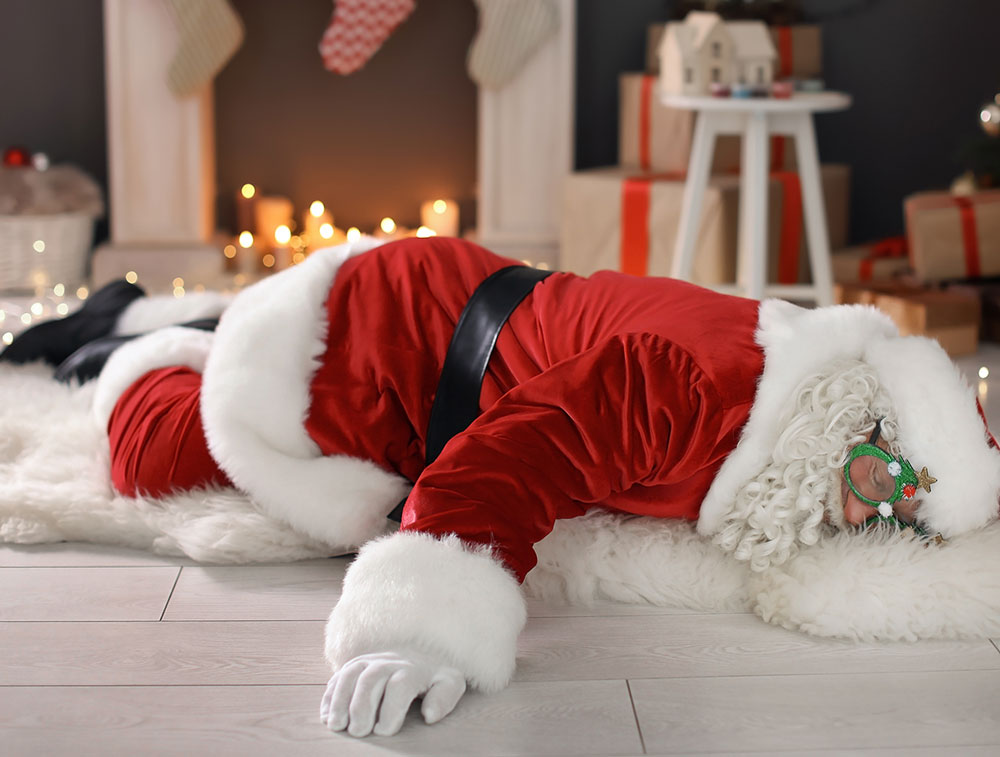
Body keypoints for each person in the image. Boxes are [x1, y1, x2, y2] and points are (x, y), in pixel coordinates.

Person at [4, 235, 1000, 738]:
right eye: (889, 479)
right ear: (861, 418)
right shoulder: (692, 388)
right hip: (377, 340)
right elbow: (511, 455)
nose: (880, 511)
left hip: (474, 303)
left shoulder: (811, 377)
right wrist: (422, 624)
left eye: (904, 512)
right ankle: (129, 343)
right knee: (160, 452)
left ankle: (172, 327)